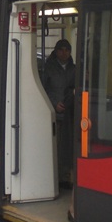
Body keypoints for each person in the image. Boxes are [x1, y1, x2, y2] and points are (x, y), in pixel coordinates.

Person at [41, 39, 75, 188]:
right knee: (56, 148)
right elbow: (43, 89)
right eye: (61, 50)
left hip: (70, 115)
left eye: (67, 50)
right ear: (56, 51)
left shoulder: (74, 69)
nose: (64, 53)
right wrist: (54, 104)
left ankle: (66, 177)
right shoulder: (48, 68)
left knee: (67, 147)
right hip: (53, 115)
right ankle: (56, 177)